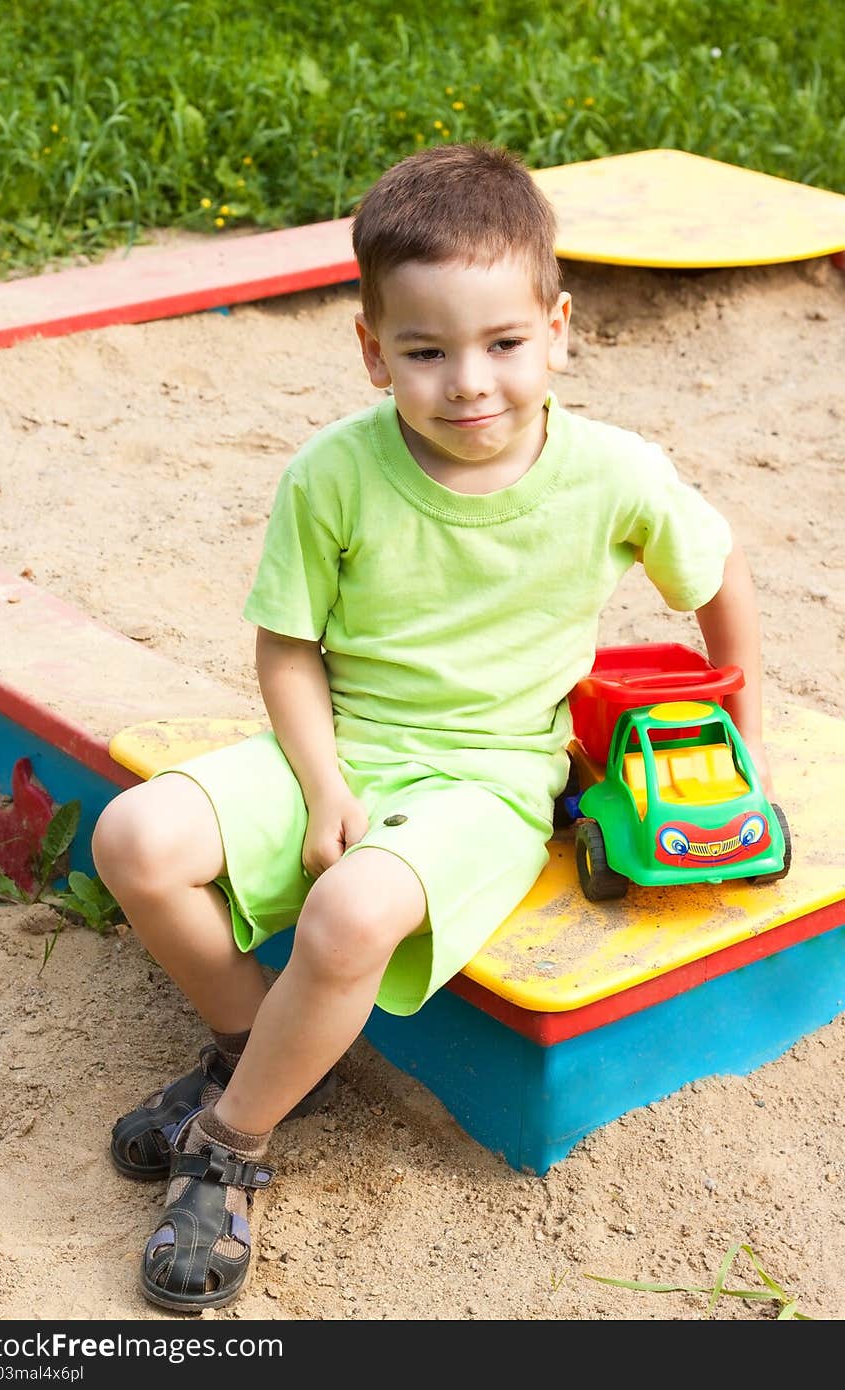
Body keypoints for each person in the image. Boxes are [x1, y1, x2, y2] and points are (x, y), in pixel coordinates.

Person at [91, 141, 771, 1312]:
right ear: (372, 351)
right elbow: (288, 645)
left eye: (504, 344)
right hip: (348, 737)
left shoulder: (611, 473)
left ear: (557, 328)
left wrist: (738, 710)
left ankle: (233, 1138)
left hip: (491, 779)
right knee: (134, 840)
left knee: (353, 910)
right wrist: (319, 780)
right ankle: (258, 1047)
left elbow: (712, 569)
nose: (470, 382)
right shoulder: (333, 476)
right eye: (425, 351)